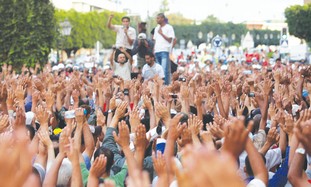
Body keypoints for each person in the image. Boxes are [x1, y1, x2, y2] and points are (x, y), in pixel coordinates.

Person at [153, 13, 175, 85]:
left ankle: (165, 86)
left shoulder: (169, 27)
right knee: (158, 70)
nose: (157, 20)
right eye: (156, 18)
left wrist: (161, 33)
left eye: (158, 18)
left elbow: (170, 40)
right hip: (157, 51)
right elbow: (155, 40)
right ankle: (160, 85)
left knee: (164, 69)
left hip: (164, 50)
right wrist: (154, 49)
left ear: (162, 19)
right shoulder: (156, 28)